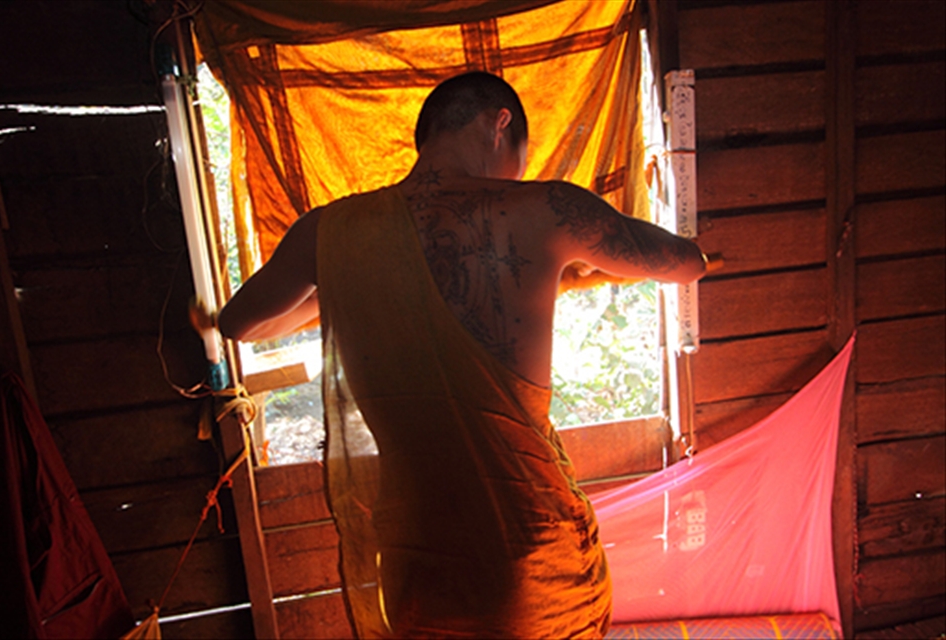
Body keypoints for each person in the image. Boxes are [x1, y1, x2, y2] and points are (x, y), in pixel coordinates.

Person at [211, 72, 706, 638]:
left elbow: (241, 323)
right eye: (519, 154)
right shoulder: (546, 208)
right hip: (524, 549)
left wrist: (344, 283)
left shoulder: (331, 232)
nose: (517, 172)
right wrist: (580, 261)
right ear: (500, 123)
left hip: (413, 555)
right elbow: (685, 262)